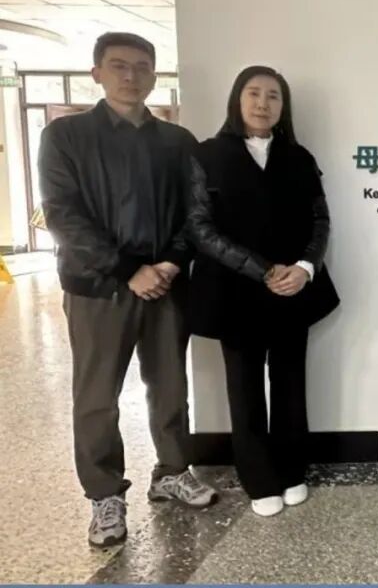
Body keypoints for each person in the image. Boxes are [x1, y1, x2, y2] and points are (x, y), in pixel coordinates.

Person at [38, 32, 218, 548]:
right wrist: (127, 269)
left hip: (166, 284)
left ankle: (172, 472)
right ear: (96, 72)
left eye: (142, 67)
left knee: (170, 384)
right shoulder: (66, 136)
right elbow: (63, 215)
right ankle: (104, 495)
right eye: (118, 65)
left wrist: (171, 262)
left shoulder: (177, 141)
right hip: (98, 287)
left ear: (154, 76)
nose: (130, 76)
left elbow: (195, 212)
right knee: (97, 396)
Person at [187, 66, 339, 517]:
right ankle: (258, 479)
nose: (262, 103)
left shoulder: (299, 157)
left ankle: (293, 471)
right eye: (253, 93)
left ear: (283, 106)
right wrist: (263, 270)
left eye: (273, 96)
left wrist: (306, 268)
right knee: (245, 388)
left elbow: (320, 220)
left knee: (291, 384)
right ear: (237, 100)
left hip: (294, 288)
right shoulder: (207, 155)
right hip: (234, 292)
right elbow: (199, 227)